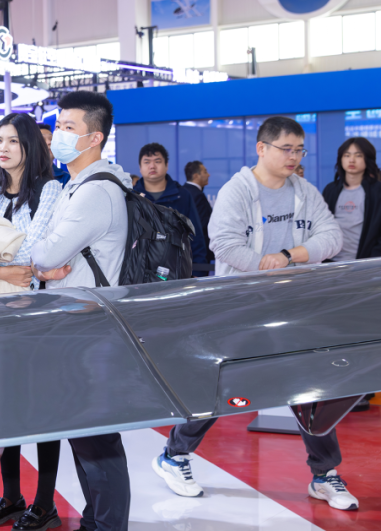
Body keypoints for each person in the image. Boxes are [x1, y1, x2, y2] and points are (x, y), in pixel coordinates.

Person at [152, 116, 354, 510]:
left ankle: (324, 473)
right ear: (262, 148)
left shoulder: (305, 191)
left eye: (300, 150)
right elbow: (224, 244)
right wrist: (268, 270)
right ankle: (174, 455)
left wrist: (289, 256)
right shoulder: (238, 191)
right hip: (241, 308)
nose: (294, 157)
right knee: (222, 386)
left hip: (293, 308)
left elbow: (332, 237)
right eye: (286, 149)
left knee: (311, 387)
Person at [31, 91, 131, 531]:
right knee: (85, 437)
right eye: (58, 126)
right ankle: (96, 521)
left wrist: (43, 262)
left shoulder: (96, 192)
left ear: (94, 138)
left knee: (97, 440)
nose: (59, 135)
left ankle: (107, 525)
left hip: (91, 330)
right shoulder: (78, 185)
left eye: (69, 127)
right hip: (76, 325)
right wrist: (44, 262)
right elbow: (43, 253)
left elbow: (45, 252)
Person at [0, 113, 64, 531]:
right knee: (2, 404)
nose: (3, 148)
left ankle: (44, 503)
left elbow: (35, 252)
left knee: (41, 409)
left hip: (33, 318)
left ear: (29, 146)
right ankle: (11, 496)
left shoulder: (49, 190)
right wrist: (0, 268)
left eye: (13, 141)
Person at [134, 143, 208, 273]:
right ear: (140, 167)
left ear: (166, 165)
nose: (152, 166)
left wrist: (198, 272)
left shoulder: (183, 196)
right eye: (147, 162)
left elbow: (196, 236)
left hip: (176, 272)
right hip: (138, 273)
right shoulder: (131, 197)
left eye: (157, 161)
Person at [323, 137, 381, 261]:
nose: (351, 160)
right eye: (347, 155)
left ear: (368, 159)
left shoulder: (377, 191)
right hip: (330, 263)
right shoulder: (330, 190)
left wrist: (371, 262)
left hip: (365, 263)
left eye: (358, 155)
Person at [183, 160, 213, 260]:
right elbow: (203, 224)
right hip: (199, 251)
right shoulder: (198, 195)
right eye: (205, 172)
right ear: (196, 176)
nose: (208, 175)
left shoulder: (182, 192)